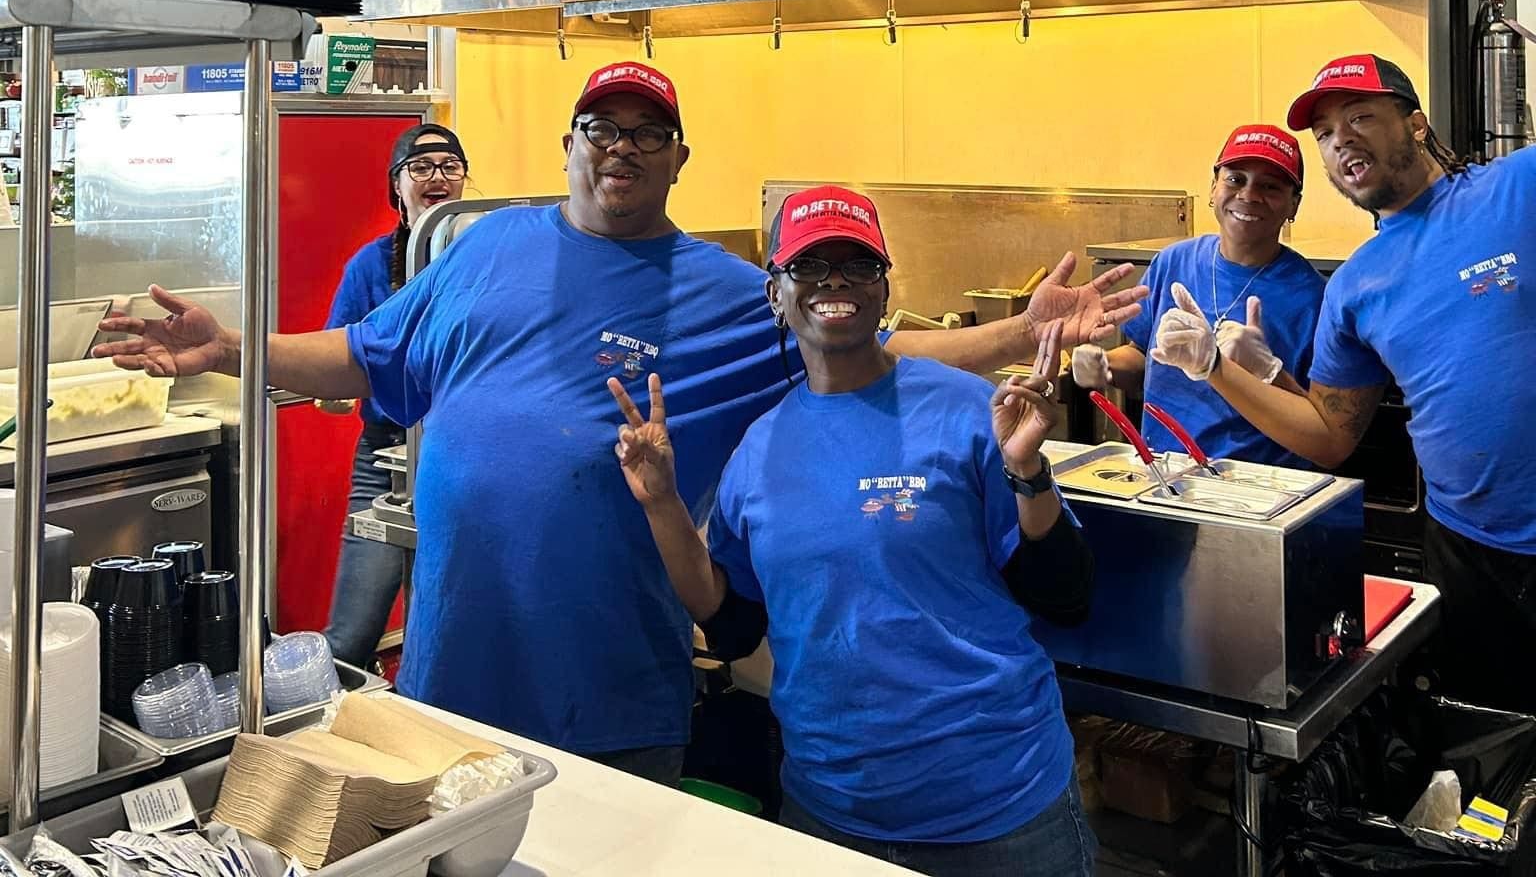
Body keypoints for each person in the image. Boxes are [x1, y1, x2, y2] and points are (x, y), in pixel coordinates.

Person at [93, 62, 1147, 780]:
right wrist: (235, 351)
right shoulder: (483, 252)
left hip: (609, 694)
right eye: (605, 129)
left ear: (679, 159)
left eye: (651, 135)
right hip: (452, 675)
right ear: (570, 145)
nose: (624, 149)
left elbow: (864, 347)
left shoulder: (730, 291)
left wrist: (1016, 336)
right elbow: (370, 356)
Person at [609, 186, 1096, 877]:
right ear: (776, 295)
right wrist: (661, 503)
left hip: (1001, 811)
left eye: (856, 264)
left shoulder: (967, 410)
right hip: (831, 816)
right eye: (809, 267)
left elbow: (1065, 594)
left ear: (882, 287)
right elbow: (732, 622)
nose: (834, 282)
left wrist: (1027, 473)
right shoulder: (759, 450)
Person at [1149, 55, 1536, 711]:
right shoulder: (1355, 285)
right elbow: (1328, 436)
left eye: (1361, 117)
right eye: (1325, 134)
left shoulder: (1518, 186)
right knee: (1493, 743)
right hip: (1468, 551)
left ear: (1415, 124)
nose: (1341, 140)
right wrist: (1216, 370)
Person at [1071, 125, 1326, 466]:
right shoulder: (1173, 262)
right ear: (1213, 187)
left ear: (1293, 205)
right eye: (1236, 179)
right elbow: (1144, 355)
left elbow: (1324, 432)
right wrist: (1105, 367)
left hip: (1259, 486)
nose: (1249, 195)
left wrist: (1270, 373)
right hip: (1164, 472)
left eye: (1270, 186)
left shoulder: (1314, 299)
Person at [322, 123, 468, 668]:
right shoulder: (368, 265)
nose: (437, 178)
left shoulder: (487, 257)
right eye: (421, 168)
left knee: (448, 635)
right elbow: (339, 348)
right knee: (352, 634)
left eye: (450, 167)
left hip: (464, 454)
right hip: (386, 458)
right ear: (397, 186)